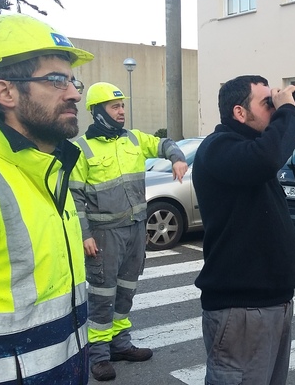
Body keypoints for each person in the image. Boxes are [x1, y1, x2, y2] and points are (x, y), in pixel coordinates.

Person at [0, 13, 94, 383]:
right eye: (56, 80)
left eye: (73, 81)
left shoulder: (50, 171)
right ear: (6, 92)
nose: (74, 93)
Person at [69, 82, 188, 381]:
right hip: (104, 234)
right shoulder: (81, 149)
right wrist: (85, 235)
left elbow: (164, 143)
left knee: (126, 290)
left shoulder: (133, 139)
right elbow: (75, 199)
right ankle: (97, 355)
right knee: (102, 293)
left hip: (136, 231)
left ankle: (120, 345)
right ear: (98, 112)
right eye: (115, 106)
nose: (122, 111)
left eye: (122, 106)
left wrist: (177, 157)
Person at [192, 75, 295, 385]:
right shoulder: (219, 147)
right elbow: (268, 159)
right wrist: (288, 113)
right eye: (267, 103)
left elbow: (270, 154)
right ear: (239, 112)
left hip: (273, 303)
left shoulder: (250, 148)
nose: (275, 108)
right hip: (241, 309)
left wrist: (286, 113)